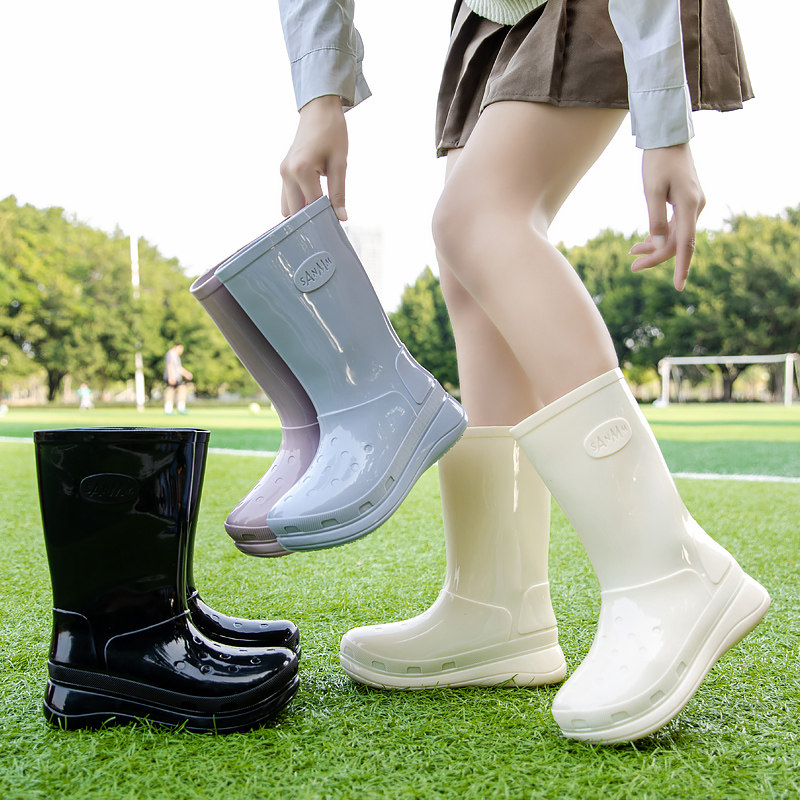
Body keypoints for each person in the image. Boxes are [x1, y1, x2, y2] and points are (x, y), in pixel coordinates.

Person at [276, 0, 770, 743]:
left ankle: (667, 566)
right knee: (468, 264)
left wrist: (666, 129)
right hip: (490, 16)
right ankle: (497, 605)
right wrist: (319, 98)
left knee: (478, 221)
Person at [163, 343, 192, 415]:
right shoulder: (171, 354)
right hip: (172, 377)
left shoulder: (176, 356)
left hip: (176, 376)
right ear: (176, 347)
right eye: (181, 349)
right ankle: (170, 409)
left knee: (180, 389)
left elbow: (178, 368)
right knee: (171, 390)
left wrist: (186, 373)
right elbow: (169, 365)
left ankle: (179, 407)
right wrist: (171, 377)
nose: (181, 351)